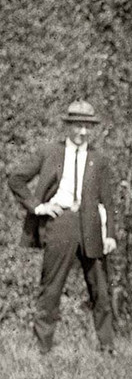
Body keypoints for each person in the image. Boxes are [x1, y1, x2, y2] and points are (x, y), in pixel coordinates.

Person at [8, 100, 117, 355]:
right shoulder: (50, 152)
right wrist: (38, 207)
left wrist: (110, 234)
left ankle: (108, 347)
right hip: (61, 224)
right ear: (68, 126)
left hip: (91, 226)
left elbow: (108, 201)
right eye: (78, 126)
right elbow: (16, 178)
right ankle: (43, 349)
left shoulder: (98, 159)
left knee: (100, 289)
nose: (82, 132)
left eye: (87, 127)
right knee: (51, 288)